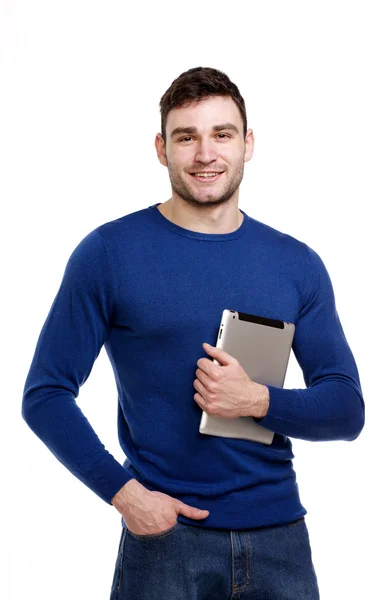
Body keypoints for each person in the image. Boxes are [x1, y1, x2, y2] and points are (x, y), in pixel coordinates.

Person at [22, 66, 365, 600]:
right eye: (187, 137)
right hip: (164, 540)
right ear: (162, 148)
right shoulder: (109, 254)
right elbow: (45, 395)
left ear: (247, 144)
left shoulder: (297, 264)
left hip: (281, 543)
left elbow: (347, 409)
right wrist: (123, 493)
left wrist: (256, 400)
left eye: (222, 134)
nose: (206, 153)